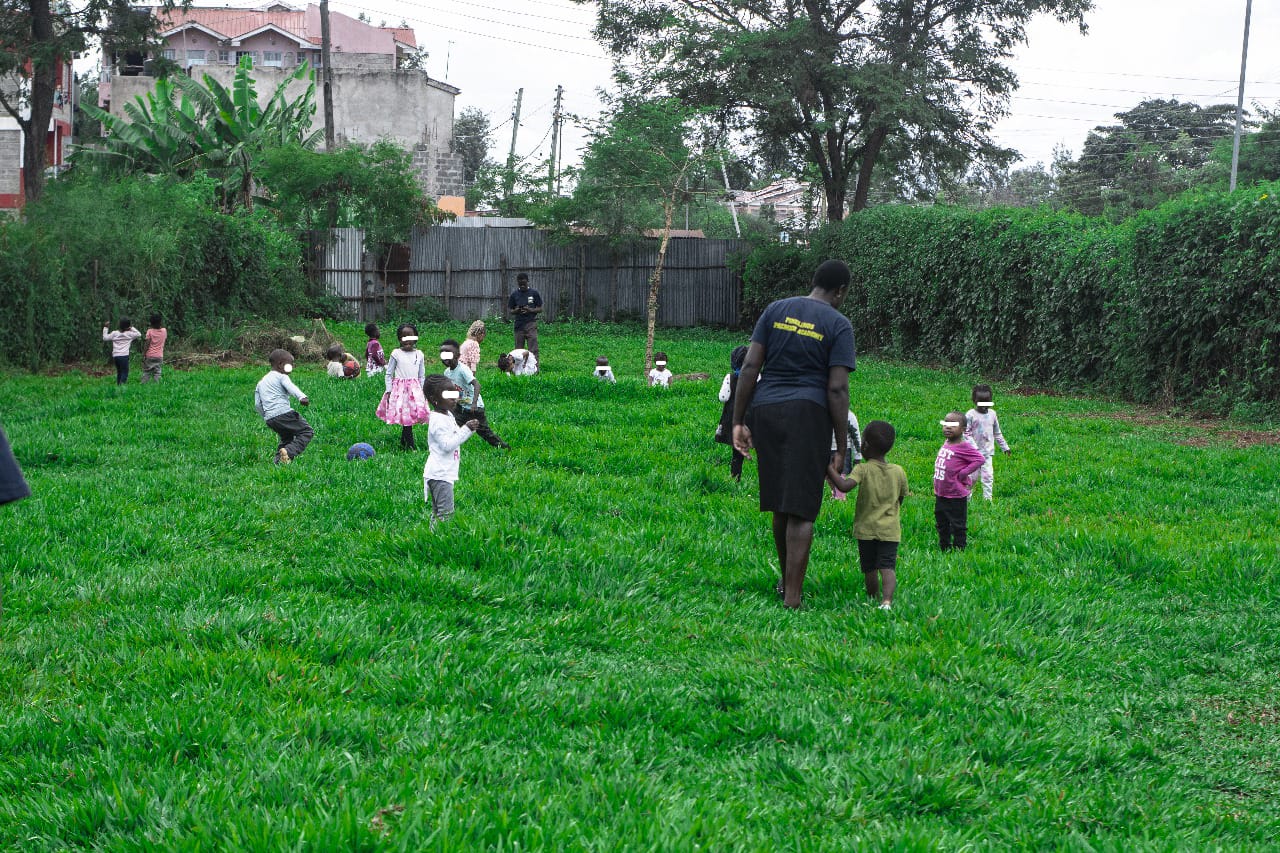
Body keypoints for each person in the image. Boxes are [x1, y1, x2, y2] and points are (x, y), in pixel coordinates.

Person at [732, 259, 856, 609]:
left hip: (766, 410)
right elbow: (837, 388)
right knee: (801, 508)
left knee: (781, 502)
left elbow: (750, 366)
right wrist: (841, 444)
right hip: (807, 414)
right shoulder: (839, 324)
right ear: (840, 291)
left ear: (814, 282)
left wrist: (739, 421)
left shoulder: (775, 310)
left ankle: (786, 583)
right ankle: (792, 596)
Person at [826, 421, 908, 610]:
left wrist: (829, 468)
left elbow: (844, 486)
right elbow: (901, 497)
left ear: (865, 446)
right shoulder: (898, 471)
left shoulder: (863, 469)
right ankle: (886, 601)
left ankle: (873, 598)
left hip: (866, 529)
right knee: (887, 567)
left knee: (869, 567)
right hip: (890, 530)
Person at [422, 374, 479, 528]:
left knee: (439, 512)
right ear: (434, 399)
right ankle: (439, 538)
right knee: (445, 514)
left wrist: (469, 430)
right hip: (440, 474)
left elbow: (455, 437)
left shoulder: (447, 415)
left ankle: (431, 536)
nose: (454, 398)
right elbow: (447, 445)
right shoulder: (438, 421)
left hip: (442, 473)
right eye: (448, 395)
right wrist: (466, 429)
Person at [440, 339, 509, 449]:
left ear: (457, 355)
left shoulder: (463, 370)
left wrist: (474, 403)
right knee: (453, 426)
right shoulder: (447, 372)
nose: (445, 359)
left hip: (475, 409)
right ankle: (449, 447)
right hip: (461, 407)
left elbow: (477, 385)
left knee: (485, 432)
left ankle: (503, 447)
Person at [934, 411, 986, 550]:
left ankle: (959, 548)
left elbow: (980, 459)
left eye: (953, 425)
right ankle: (944, 546)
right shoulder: (947, 443)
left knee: (958, 523)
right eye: (946, 424)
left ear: (963, 429)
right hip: (941, 492)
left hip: (956, 494)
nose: (948, 427)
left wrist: (964, 473)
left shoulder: (964, 446)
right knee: (941, 522)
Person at [254, 349, 313, 464]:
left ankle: (279, 462)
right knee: (306, 431)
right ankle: (289, 451)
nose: (292, 366)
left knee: (287, 437)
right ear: (280, 364)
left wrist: (266, 416)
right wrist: (302, 397)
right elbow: (291, 387)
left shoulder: (261, 382)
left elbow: (257, 404)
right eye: (290, 364)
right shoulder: (282, 376)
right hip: (284, 413)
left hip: (270, 419)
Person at [376, 324, 430, 450]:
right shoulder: (396, 354)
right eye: (403, 337)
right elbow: (389, 374)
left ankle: (404, 442)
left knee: (410, 416)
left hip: (415, 391)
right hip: (400, 391)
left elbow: (421, 375)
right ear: (399, 339)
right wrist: (389, 390)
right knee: (406, 417)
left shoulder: (419, 354)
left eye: (410, 337)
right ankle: (410, 445)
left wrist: (423, 391)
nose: (407, 340)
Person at [964, 384, 1011, 501]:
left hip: (987, 453)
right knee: (971, 478)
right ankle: (966, 498)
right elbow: (965, 432)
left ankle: (987, 500)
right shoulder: (970, 415)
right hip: (973, 455)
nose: (984, 406)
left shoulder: (992, 414)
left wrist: (1005, 447)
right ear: (974, 401)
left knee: (988, 477)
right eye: (981, 402)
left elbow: (997, 432)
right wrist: (974, 447)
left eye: (987, 402)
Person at [715, 345, 750, 481]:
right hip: (750, 417)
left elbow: (723, 397)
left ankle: (735, 476)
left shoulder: (730, 378)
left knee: (736, 450)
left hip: (733, 417)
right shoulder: (757, 377)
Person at [828, 409, 864, 500]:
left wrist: (857, 457)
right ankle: (834, 493)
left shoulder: (849, 416)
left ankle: (840, 498)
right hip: (825, 449)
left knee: (840, 475)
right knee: (828, 476)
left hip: (843, 450)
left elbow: (855, 436)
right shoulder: (821, 414)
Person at [508, 272, 543, 356]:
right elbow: (510, 310)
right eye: (520, 284)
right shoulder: (514, 295)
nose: (522, 286)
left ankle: (534, 364)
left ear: (528, 281)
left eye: (524, 283)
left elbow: (540, 309)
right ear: (517, 283)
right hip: (519, 325)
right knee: (518, 350)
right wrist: (516, 310)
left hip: (531, 323)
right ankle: (519, 364)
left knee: (533, 348)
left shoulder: (534, 293)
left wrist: (530, 310)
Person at [102, 318, 142, 386]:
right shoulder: (129, 334)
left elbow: (105, 338)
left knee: (119, 372)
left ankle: (118, 386)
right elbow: (139, 334)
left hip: (115, 356)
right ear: (128, 326)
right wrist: (131, 328)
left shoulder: (114, 333)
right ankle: (121, 387)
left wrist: (106, 328)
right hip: (124, 356)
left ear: (119, 325)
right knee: (125, 372)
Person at [142, 314, 167, 383]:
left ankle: (143, 384)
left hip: (149, 356)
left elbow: (147, 344)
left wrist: (144, 354)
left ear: (151, 323)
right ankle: (157, 385)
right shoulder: (164, 331)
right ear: (161, 322)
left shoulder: (149, 331)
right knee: (157, 372)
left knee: (146, 371)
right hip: (159, 356)